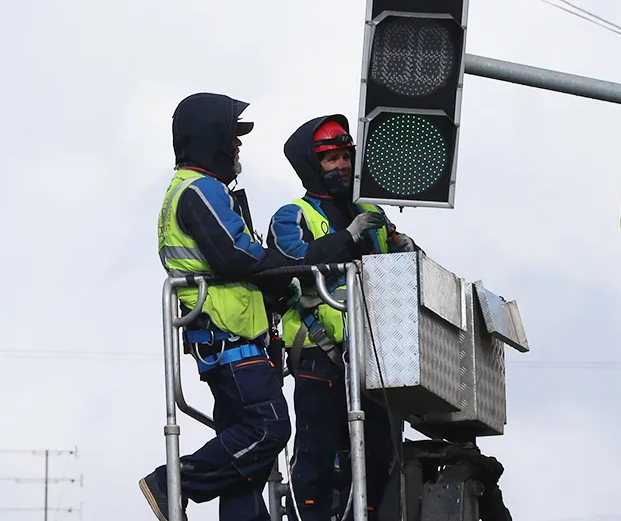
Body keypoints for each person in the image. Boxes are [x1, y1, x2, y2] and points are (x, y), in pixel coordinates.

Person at [142, 92, 303, 521]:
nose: (238, 145)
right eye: (233, 136)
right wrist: (291, 269)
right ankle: (174, 480)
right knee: (268, 428)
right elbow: (236, 254)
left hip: (225, 340)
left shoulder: (192, 189)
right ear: (212, 138)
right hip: (231, 341)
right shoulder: (200, 189)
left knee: (244, 463)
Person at [266, 114, 417, 521]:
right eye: (331, 159)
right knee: (315, 455)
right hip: (321, 354)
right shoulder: (292, 216)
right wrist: (348, 236)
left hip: (375, 357)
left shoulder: (371, 211)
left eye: (346, 156)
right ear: (312, 165)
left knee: (380, 455)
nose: (343, 166)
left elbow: (399, 265)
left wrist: (406, 247)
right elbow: (295, 264)